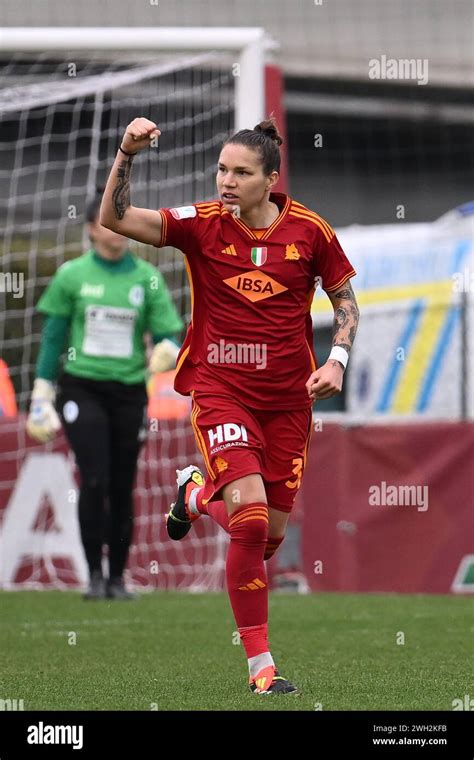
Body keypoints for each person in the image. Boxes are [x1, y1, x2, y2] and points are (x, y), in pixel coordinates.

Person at [100, 116, 359, 691]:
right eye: (221, 169)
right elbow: (114, 217)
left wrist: (336, 359)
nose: (226, 181)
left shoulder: (311, 232)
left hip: (290, 401)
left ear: (270, 179)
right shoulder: (200, 225)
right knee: (248, 520)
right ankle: (262, 669)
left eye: (241, 172)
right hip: (221, 391)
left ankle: (194, 495)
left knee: (267, 539)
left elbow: (345, 300)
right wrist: (127, 152)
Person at [26, 190, 183, 600]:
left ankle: (117, 578)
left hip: (129, 391)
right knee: (93, 477)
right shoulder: (72, 276)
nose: (118, 229)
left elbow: (169, 331)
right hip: (82, 388)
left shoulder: (145, 278)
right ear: (91, 228)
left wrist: (167, 349)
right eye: (108, 220)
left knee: (121, 483)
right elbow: (53, 338)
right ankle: (93, 575)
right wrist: (42, 393)